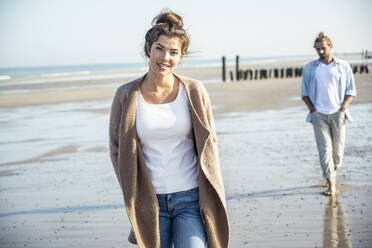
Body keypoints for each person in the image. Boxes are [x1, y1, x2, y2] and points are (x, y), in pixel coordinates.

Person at [109, 9, 229, 248]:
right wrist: (132, 190)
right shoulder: (126, 95)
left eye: (174, 52)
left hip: (191, 199)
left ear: (181, 56)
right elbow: (116, 148)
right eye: (159, 48)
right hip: (149, 202)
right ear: (148, 49)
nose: (165, 57)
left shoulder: (194, 91)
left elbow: (210, 145)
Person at [301, 32, 357, 196]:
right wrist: (313, 110)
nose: (320, 52)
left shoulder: (343, 66)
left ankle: (332, 172)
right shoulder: (310, 68)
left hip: (338, 114)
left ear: (330, 47)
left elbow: (351, 91)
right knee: (324, 150)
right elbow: (304, 93)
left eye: (323, 48)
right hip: (319, 115)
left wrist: (342, 109)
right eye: (317, 49)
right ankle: (331, 183)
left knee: (337, 152)